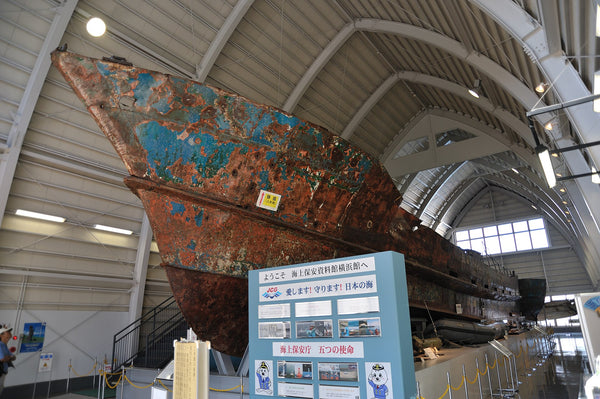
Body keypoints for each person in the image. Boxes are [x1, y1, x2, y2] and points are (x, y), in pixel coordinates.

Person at [0, 326, 16, 396]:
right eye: (8, 332)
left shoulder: (4, 345)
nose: (10, 334)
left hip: (3, 372)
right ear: (1, 335)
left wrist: (8, 357)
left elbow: (14, 357)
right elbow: (2, 359)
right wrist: (10, 357)